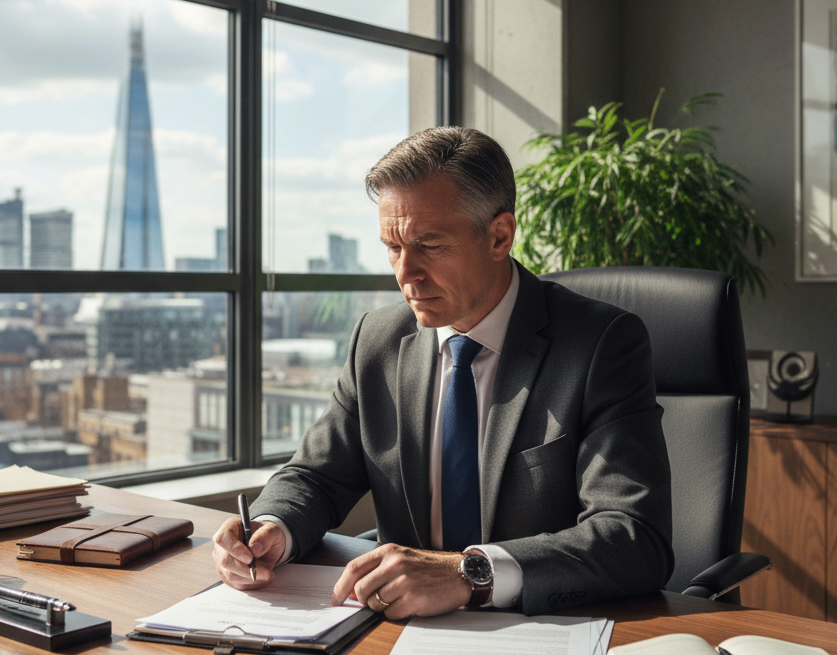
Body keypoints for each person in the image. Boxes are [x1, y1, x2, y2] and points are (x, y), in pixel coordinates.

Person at [213, 127, 673, 618]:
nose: (404, 273)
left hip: (541, 628)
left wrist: (468, 573)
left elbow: (634, 535)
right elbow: (316, 476)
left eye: (429, 245)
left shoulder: (600, 344)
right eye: (393, 247)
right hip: (399, 626)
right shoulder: (377, 340)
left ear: (499, 236)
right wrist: (270, 527)